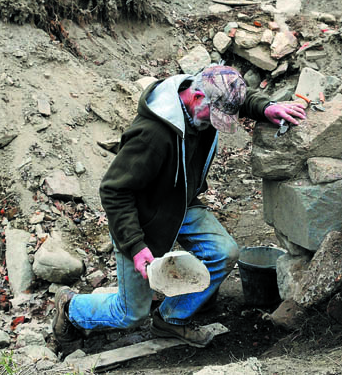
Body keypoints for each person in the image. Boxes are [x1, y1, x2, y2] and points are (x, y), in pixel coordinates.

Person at [52, 65, 306, 349]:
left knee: (223, 253)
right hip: (141, 218)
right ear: (196, 97)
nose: (219, 123)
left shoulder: (206, 96)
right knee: (131, 313)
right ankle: (71, 308)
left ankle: (170, 320)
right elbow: (114, 191)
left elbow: (234, 99)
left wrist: (266, 108)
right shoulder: (152, 135)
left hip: (179, 204)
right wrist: (135, 247)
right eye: (216, 116)